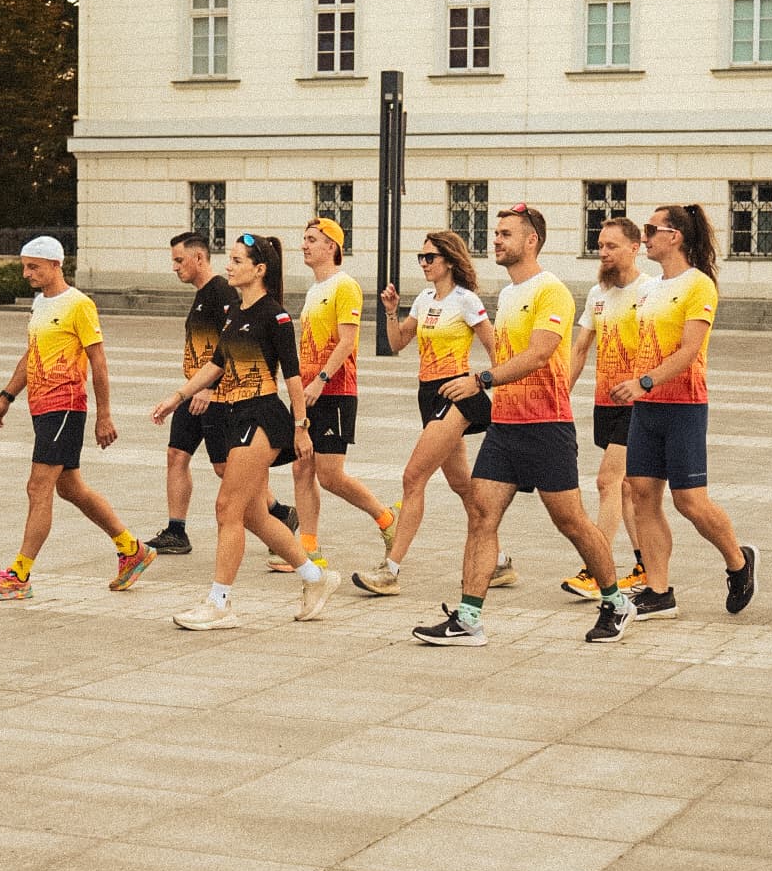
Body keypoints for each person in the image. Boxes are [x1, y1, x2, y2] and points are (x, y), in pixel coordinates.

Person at [412, 204, 634, 647]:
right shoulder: (509, 294)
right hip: (505, 426)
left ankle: (616, 601)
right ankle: (469, 618)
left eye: (505, 234)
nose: (496, 240)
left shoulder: (552, 291)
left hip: (546, 426)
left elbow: (540, 353)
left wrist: (480, 379)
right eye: (496, 233)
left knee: (570, 521)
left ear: (531, 241)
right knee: (480, 514)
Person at [152, 232, 340, 630]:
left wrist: (301, 426)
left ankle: (220, 603)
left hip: (263, 416)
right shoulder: (236, 313)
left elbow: (293, 377)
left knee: (226, 508)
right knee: (253, 514)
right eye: (230, 259)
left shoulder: (276, 316)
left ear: (259, 269)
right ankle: (316, 578)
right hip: (237, 414)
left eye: (237, 261)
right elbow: (217, 364)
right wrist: (178, 397)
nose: (229, 266)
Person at [0, 237, 154, 600]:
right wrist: (6, 396)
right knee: (70, 487)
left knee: (38, 487)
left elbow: (99, 362)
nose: (27, 273)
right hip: (41, 408)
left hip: (65, 407)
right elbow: (32, 355)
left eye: (34, 267)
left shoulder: (79, 305)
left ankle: (19, 575)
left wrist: (104, 415)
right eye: (25, 266)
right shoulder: (40, 303)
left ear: (56, 265)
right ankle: (130, 548)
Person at [611, 203, 758, 618]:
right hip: (646, 408)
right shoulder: (648, 288)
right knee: (642, 496)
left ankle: (739, 561)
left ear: (674, 236)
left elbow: (690, 351)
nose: (645, 237)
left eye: (651, 230)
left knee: (689, 501)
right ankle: (659, 591)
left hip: (684, 406)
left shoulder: (699, 285)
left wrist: (643, 382)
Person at [352, 229, 517, 597]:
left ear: (449, 260)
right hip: (428, 395)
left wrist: (491, 386)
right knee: (463, 486)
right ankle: (501, 562)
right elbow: (397, 343)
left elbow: (495, 351)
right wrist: (392, 312)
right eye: (421, 258)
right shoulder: (425, 299)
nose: (424, 264)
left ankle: (390, 570)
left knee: (413, 477)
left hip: (456, 394)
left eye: (430, 257)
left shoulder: (466, 300)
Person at [148, 232, 297, 555]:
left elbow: (273, 364)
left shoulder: (225, 295)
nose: (174, 267)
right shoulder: (211, 297)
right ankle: (177, 530)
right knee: (178, 456)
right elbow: (217, 357)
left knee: (226, 477)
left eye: (178, 260)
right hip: (198, 393)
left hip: (225, 400)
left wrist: (302, 427)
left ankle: (281, 517)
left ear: (198, 258)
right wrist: (179, 396)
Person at [269, 217, 397, 571]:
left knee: (330, 475)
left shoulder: (345, 286)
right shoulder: (314, 290)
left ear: (332, 247)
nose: (304, 245)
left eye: (312, 239)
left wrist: (321, 379)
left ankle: (386, 519)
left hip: (335, 391)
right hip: (307, 395)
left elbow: (347, 341)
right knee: (301, 469)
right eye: (304, 238)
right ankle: (308, 550)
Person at [562, 216, 648, 601]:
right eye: (600, 246)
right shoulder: (598, 294)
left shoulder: (652, 291)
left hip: (640, 404)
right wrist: (559, 393)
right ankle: (646, 565)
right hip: (605, 402)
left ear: (635, 247)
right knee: (627, 488)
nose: (604, 253)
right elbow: (580, 349)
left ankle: (597, 570)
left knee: (606, 481)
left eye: (612, 246)